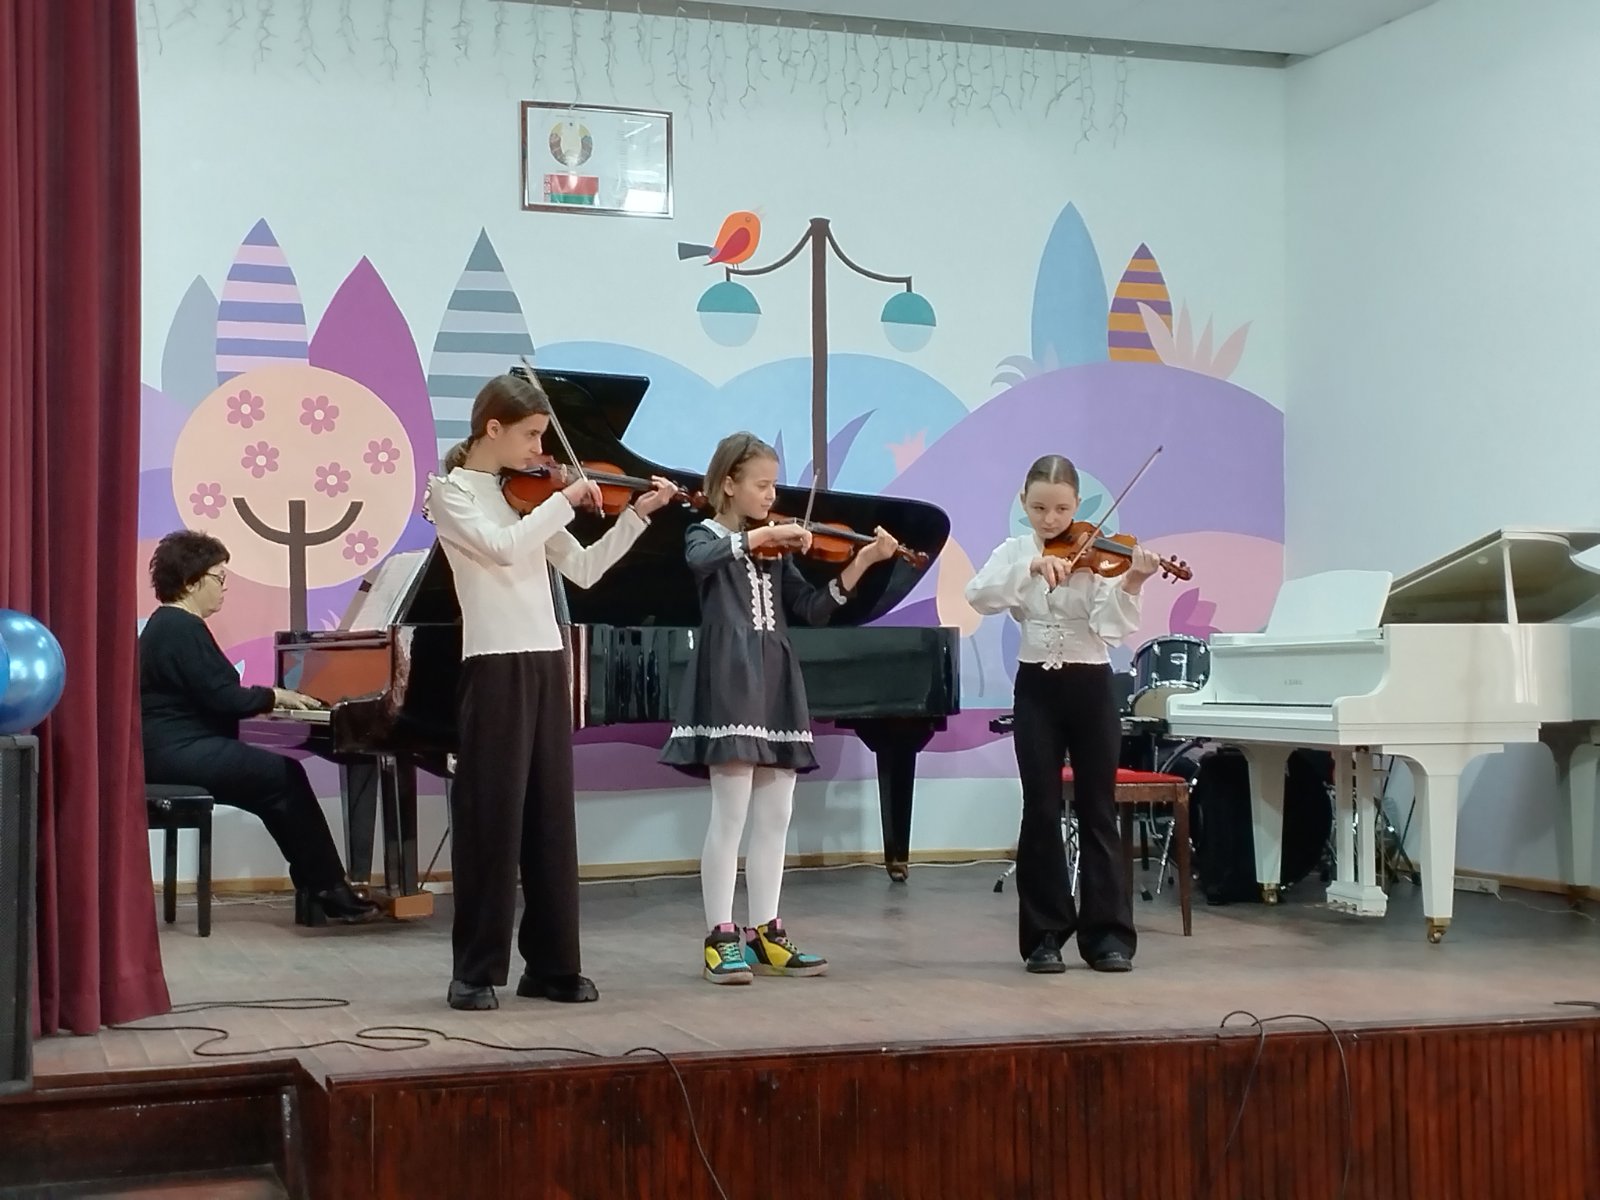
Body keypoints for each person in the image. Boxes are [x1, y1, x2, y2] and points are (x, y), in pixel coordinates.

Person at [425, 368, 678, 1011]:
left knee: (550, 822)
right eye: (532, 436)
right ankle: (475, 970)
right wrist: (563, 500)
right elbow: (500, 549)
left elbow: (585, 570)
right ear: (493, 428)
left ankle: (553, 966)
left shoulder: (523, 497)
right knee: (491, 820)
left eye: (543, 437)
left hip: (545, 661)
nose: (541, 451)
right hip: (493, 666)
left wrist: (636, 517)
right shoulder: (450, 492)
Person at [660, 432, 900, 985]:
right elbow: (701, 560)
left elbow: (812, 609)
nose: (772, 495)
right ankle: (721, 936)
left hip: (775, 674)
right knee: (730, 815)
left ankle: (766, 932)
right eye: (762, 485)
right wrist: (762, 535)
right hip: (731, 676)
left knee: (776, 816)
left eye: (774, 485)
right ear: (729, 485)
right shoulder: (705, 534)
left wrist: (864, 560)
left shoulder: (772, 552)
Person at [964, 454, 1160, 974]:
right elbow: (978, 595)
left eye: (1061, 509)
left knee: (1098, 809)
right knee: (1041, 808)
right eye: (1038, 508)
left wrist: (1133, 583)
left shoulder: (1100, 553)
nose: (1050, 520)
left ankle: (1108, 937)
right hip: (1036, 689)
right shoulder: (1014, 551)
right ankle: (1044, 936)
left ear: (1077, 505)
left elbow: (1111, 628)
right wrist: (1029, 568)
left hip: (1091, 687)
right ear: (1023, 502)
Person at [138, 530, 378, 924]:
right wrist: (275, 697)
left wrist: (270, 699)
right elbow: (223, 697)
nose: (224, 587)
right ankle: (327, 888)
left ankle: (320, 886)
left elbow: (212, 694)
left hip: (169, 748)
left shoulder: (167, 625)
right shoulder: (180, 626)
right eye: (219, 577)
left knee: (274, 788)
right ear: (191, 581)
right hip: (175, 752)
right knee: (283, 776)